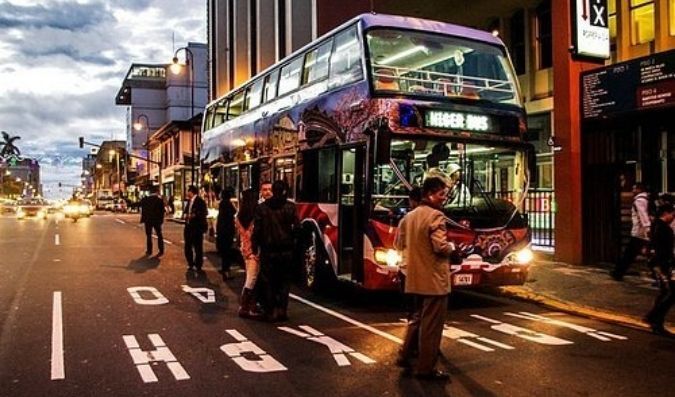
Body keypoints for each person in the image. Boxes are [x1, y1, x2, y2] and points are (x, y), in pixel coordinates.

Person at [394, 177, 457, 381]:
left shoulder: (409, 217)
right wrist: (453, 248)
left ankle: (404, 354)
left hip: (413, 277)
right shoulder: (436, 216)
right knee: (431, 326)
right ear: (430, 194)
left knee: (417, 318)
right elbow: (440, 246)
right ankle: (425, 368)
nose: (444, 198)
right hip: (434, 281)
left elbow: (399, 244)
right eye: (441, 194)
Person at [252, 180, 299, 322]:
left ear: (273, 190)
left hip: (268, 249)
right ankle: (282, 310)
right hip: (286, 250)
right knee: (284, 281)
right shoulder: (290, 207)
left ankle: (270, 310)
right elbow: (297, 228)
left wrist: (255, 246)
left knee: (269, 281)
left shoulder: (262, 208)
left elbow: (257, 230)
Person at [644, 203, 675, 337]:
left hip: (657, 263)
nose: (673, 217)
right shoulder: (665, 229)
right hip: (662, 264)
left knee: (665, 292)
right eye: (672, 214)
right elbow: (665, 250)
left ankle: (654, 319)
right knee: (669, 293)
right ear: (666, 213)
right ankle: (655, 319)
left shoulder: (655, 225)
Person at [611, 182, 652, 281]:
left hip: (639, 233)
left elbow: (643, 216)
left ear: (639, 189)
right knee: (645, 253)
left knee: (629, 254)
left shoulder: (639, 201)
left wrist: (647, 229)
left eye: (634, 189)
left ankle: (618, 273)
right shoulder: (647, 199)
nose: (633, 191)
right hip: (643, 232)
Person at [236, 189, 262, 318]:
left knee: (251, 277)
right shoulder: (256, 216)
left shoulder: (239, 216)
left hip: (244, 249)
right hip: (254, 251)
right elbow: (256, 235)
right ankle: (245, 307)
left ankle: (251, 306)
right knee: (251, 279)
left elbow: (240, 235)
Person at [184, 185, 208, 272]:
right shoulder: (189, 201)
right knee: (187, 246)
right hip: (188, 226)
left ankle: (198, 265)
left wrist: (194, 215)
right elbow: (186, 211)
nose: (187, 193)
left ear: (191, 192)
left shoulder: (200, 201)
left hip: (197, 227)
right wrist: (186, 215)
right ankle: (190, 263)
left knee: (198, 247)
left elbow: (204, 212)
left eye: (188, 191)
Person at [216, 188, 237, 280]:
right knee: (227, 251)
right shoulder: (227, 204)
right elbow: (234, 212)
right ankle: (226, 270)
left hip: (222, 230)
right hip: (227, 230)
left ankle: (224, 269)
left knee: (224, 252)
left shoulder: (222, 204)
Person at [139, 186, 165, 257]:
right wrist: (161, 220)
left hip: (148, 220)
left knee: (149, 235)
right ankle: (161, 250)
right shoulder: (159, 200)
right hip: (156, 220)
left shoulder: (145, 200)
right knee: (159, 235)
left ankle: (149, 250)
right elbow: (162, 212)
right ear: (156, 192)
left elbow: (138, 205)